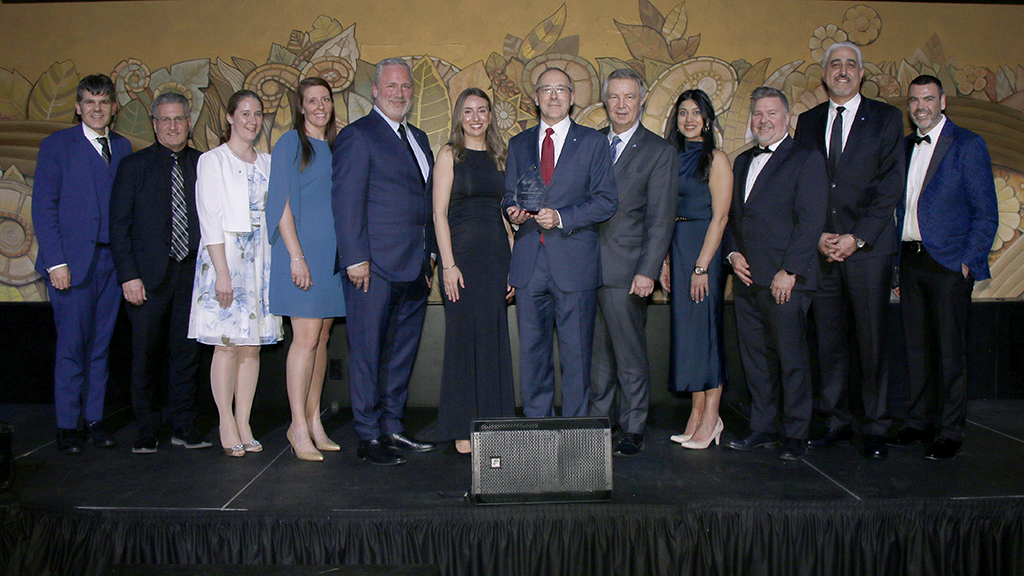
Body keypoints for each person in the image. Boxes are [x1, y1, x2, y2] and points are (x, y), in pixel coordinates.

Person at [794, 41, 905, 460]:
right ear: (824, 75)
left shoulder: (887, 119)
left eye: (850, 65)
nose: (842, 71)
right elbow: (802, 185)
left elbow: (891, 186)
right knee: (828, 341)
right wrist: (820, 234)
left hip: (867, 251)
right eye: (835, 65)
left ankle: (874, 426)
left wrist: (856, 238)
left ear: (862, 74)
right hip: (820, 250)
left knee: (872, 340)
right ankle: (837, 421)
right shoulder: (807, 122)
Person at [332, 58, 438, 466]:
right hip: (371, 268)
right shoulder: (358, 136)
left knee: (399, 353)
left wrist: (430, 254)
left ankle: (392, 426)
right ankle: (368, 434)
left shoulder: (420, 138)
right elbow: (345, 202)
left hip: (414, 267)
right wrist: (354, 258)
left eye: (405, 87)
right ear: (375, 91)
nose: (399, 93)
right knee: (367, 352)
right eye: (391, 86)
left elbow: (423, 202)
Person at [887, 74, 998, 460]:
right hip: (911, 260)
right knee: (916, 349)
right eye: (915, 100)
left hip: (949, 263)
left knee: (950, 352)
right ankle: (919, 422)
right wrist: (898, 268)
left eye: (928, 99)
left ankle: (950, 431)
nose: (921, 106)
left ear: (943, 101)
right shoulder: (903, 147)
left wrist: (967, 263)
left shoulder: (968, 144)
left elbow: (986, 214)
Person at [502, 67, 618, 419]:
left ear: (572, 97)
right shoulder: (519, 143)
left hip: (574, 263)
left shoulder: (594, 142)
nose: (553, 96)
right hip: (528, 263)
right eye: (546, 89)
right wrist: (512, 210)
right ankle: (538, 427)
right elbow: (509, 193)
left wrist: (562, 216)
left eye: (561, 89)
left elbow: (606, 200)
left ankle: (575, 433)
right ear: (535, 98)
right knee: (533, 355)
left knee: (576, 356)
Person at [723, 87, 827, 461]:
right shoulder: (741, 161)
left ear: (787, 119)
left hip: (786, 280)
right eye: (758, 115)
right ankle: (763, 428)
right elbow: (733, 217)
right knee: (756, 359)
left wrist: (791, 270)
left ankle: (796, 432)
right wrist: (733, 254)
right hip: (748, 278)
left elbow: (811, 220)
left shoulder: (806, 158)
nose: (763, 120)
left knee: (791, 358)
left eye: (771, 114)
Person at [33, 74, 132, 453]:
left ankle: (93, 420)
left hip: (112, 262)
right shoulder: (57, 145)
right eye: (89, 102)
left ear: (113, 107)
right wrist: (56, 262)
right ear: (77, 107)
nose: (96, 108)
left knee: (101, 346)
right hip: (71, 265)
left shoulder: (122, 148)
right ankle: (67, 427)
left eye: (103, 102)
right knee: (72, 346)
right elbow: (44, 206)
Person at [110, 91, 212, 454]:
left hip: (193, 277)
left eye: (179, 119)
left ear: (189, 123)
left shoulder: (205, 164)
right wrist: (128, 276)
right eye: (165, 120)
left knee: (186, 356)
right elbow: (119, 227)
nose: (173, 126)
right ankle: (147, 429)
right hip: (147, 279)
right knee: (145, 357)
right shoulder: (133, 167)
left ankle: (183, 426)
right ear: (154, 125)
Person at [188, 89, 283, 458]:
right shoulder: (213, 161)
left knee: (252, 346)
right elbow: (209, 218)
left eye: (257, 114)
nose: (251, 120)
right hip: (226, 258)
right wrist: (222, 274)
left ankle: (244, 421)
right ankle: (225, 421)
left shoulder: (268, 162)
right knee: (226, 345)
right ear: (229, 117)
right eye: (244, 113)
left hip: (261, 260)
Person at [590, 69, 676, 457]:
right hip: (584, 269)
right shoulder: (590, 145)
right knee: (597, 355)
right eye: (614, 97)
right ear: (604, 101)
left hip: (627, 270)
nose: (621, 104)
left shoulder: (659, 152)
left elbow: (660, 219)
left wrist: (647, 270)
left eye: (629, 97)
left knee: (628, 354)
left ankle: (634, 425)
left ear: (641, 101)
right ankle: (599, 423)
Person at [266, 78, 347, 462]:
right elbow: (279, 202)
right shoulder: (289, 143)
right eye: (312, 101)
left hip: (331, 255)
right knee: (305, 337)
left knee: (322, 337)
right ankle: (297, 424)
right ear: (301, 107)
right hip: (300, 253)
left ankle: (315, 420)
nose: (320, 106)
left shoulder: (335, 145)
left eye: (325, 100)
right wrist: (296, 257)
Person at [433, 88, 517, 455]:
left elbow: (504, 213)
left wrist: (514, 266)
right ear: (459, 116)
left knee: (493, 338)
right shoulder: (450, 154)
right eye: (469, 111)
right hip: (461, 260)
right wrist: (448, 265)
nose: (476, 118)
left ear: (490, 116)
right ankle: (462, 426)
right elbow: (438, 215)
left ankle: (494, 422)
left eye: (482, 111)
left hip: (496, 258)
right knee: (463, 341)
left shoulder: (502, 156)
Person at [660, 89, 732, 450]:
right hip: (678, 246)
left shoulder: (716, 159)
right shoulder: (670, 157)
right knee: (688, 337)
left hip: (704, 251)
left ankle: (712, 418)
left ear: (707, 119)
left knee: (707, 334)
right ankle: (696, 414)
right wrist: (667, 260)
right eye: (683, 113)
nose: (689, 119)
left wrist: (702, 266)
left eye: (696, 113)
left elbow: (720, 218)